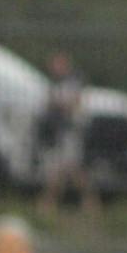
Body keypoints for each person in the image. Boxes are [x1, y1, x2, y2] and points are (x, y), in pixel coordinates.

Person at [38, 51, 98, 217]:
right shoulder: (55, 83)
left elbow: (73, 103)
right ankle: (89, 203)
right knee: (68, 169)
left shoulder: (73, 82)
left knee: (68, 168)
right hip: (61, 131)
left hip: (71, 130)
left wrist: (59, 104)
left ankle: (48, 204)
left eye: (57, 64)